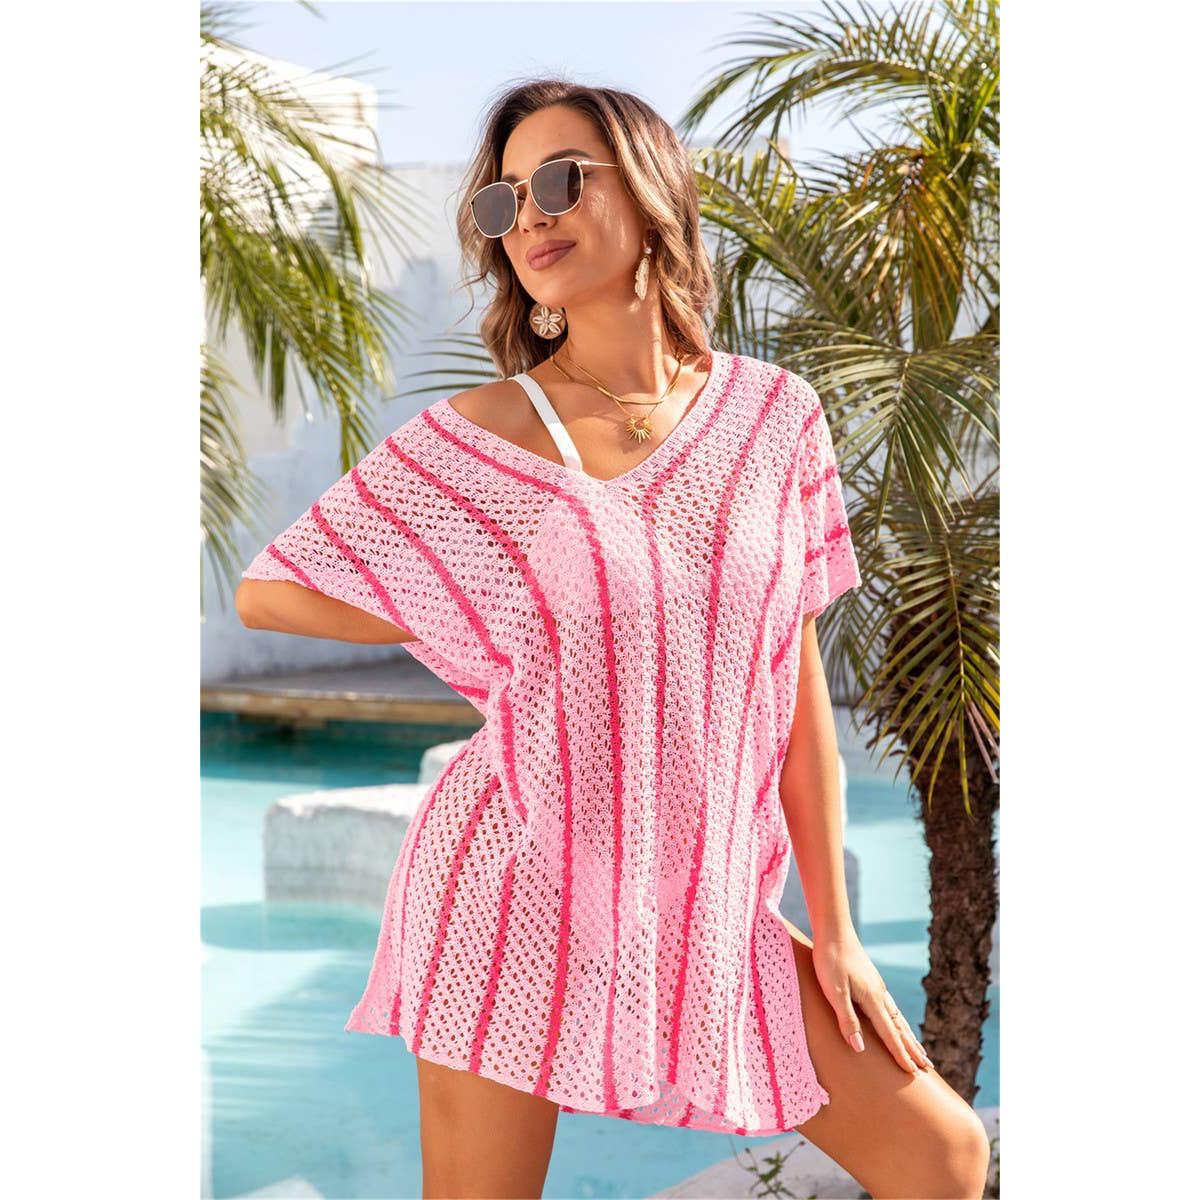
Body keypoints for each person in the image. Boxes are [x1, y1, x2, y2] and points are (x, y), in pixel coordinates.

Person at [236, 79, 991, 1200]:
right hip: (506, 885)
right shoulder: (487, 432)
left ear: (647, 190)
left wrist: (836, 931)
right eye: (502, 202)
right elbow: (270, 591)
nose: (529, 218)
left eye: (559, 180)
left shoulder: (775, 417)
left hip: (704, 904)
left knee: (942, 1155)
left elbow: (793, 696)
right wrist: (490, 594)